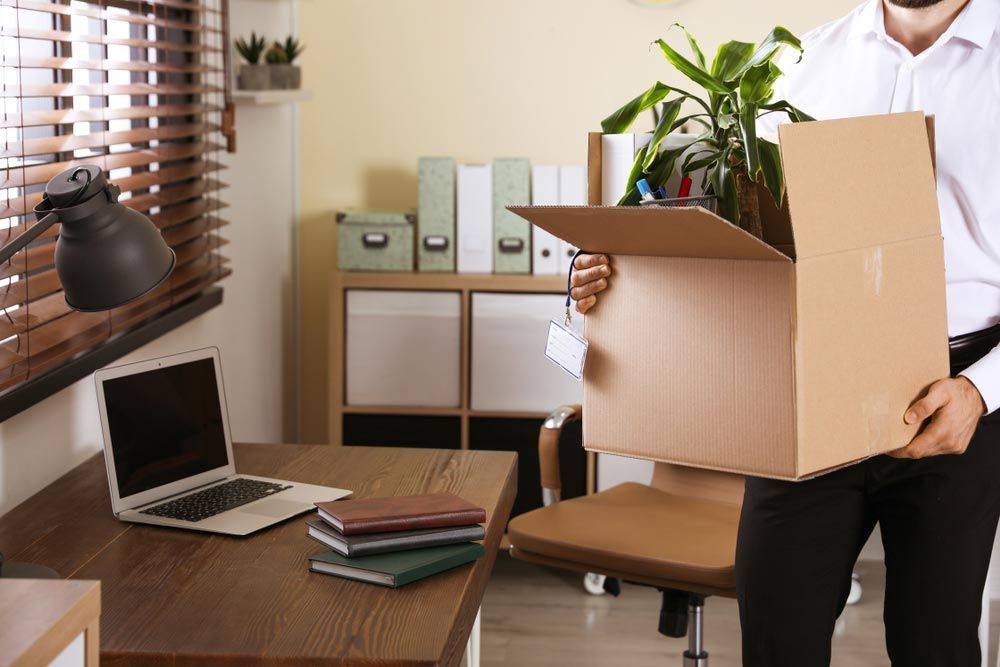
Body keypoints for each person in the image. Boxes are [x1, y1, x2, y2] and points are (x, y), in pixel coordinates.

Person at [570, 0, 1000, 664]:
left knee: (934, 643)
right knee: (775, 633)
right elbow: (745, 229)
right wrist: (608, 268)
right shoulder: (800, 63)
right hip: (812, 391)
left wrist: (980, 390)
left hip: (958, 396)